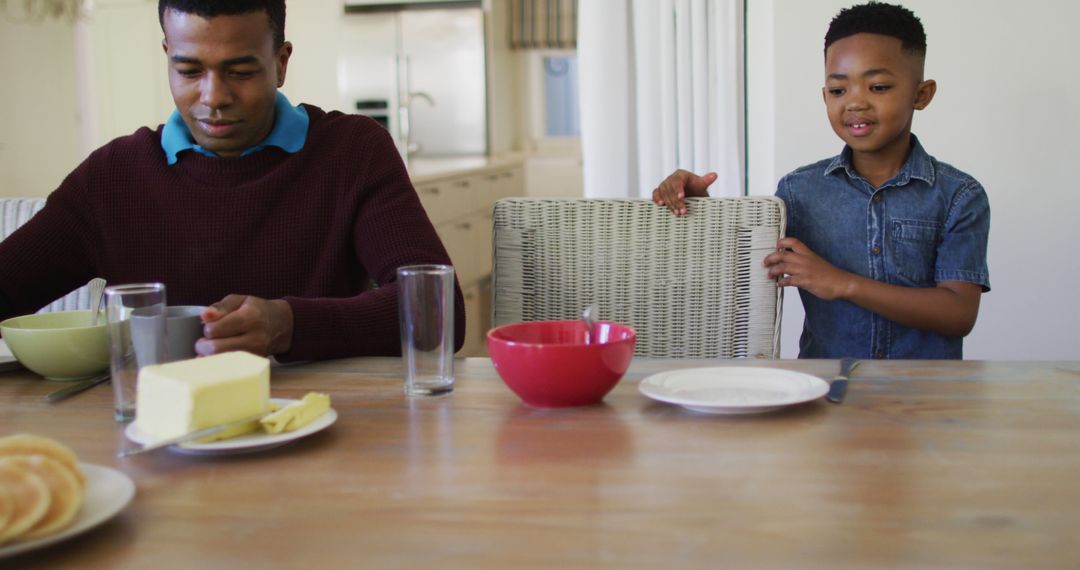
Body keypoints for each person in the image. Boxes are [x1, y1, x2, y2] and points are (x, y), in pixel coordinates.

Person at [0, 0, 465, 362]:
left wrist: (289, 324)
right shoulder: (112, 178)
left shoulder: (352, 153)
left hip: (320, 430)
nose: (213, 97)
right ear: (167, 56)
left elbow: (441, 313)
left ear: (281, 63)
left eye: (240, 72)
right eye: (189, 70)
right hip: (156, 443)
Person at [652, 2, 990, 359]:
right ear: (824, 96)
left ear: (921, 95)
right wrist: (700, 207)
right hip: (824, 392)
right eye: (838, 90)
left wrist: (840, 283)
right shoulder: (799, 192)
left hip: (925, 399)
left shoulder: (959, 195)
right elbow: (740, 269)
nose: (855, 103)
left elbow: (958, 313)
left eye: (878, 86)